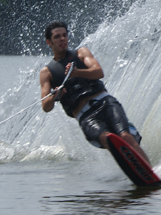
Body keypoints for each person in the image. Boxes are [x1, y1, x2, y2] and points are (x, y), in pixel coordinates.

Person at [39, 21, 151, 165]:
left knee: (125, 136)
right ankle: (134, 168)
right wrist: (55, 95)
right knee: (107, 138)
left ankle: (149, 170)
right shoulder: (47, 72)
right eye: (57, 37)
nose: (62, 39)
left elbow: (98, 72)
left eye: (65, 35)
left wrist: (77, 73)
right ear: (49, 42)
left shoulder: (81, 53)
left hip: (105, 102)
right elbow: (45, 106)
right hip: (86, 116)